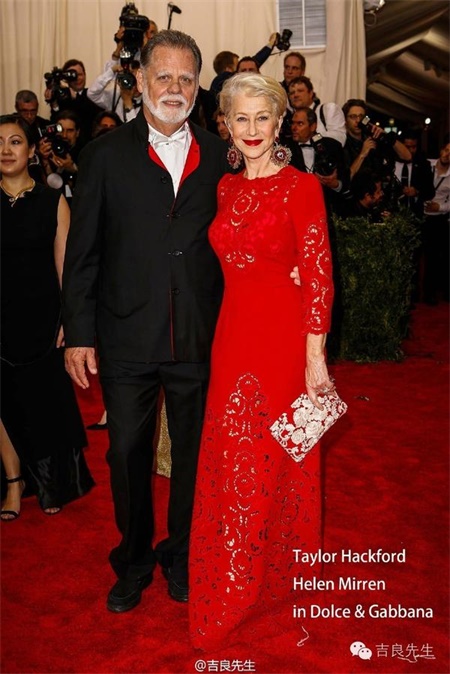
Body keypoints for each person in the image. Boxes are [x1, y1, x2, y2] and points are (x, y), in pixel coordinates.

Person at [61, 30, 230, 612]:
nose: (175, 88)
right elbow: (82, 254)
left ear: (199, 85)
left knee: (194, 455)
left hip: (200, 336)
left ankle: (181, 555)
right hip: (125, 335)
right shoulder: (103, 155)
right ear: (139, 80)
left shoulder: (222, 156)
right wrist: (78, 333)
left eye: (186, 78)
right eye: (164, 76)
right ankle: (133, 559)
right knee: (126, 455)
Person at [189, 73, 335, 650]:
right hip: (232, 336)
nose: (252, 129)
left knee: (273, 458)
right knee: (233, 457)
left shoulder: (302, 187)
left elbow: (319, 274)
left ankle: (260, 583)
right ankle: (237, 576)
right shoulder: (225, 188)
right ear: (226, 124)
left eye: (262, 118)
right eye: (240, 118)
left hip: (282, 341)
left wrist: (315, 358)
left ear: (280, 124)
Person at [0, 115, 94, 520]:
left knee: (43, 402)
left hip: (42, 321)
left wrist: (71, 321)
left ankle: (50, 482)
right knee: (2, 402)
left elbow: (66, 270)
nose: (5, 150)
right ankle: (13, 484)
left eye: (15, 141)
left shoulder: (53, 201)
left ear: (31, 150)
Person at [422, 140, 450, 303]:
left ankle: (432, 292)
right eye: (446, 150)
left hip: (438, 219)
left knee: (436, 257)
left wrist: (439, 207)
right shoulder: (426, 165)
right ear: (441, 150)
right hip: (419, 215)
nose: (447, 155)